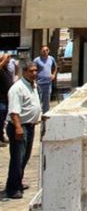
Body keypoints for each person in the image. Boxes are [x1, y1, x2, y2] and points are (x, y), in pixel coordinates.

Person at [5, 61, 41, 199]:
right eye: (31, 71)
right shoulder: (17, 88)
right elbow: (14, 111)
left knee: (24, 157)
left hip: (30, 126)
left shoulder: (33, 85)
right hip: (19, 127)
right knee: (17, 159)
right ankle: (12, 188)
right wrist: (18, 128)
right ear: (24, 72)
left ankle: (18, 182)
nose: (34, 73)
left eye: (35, 70)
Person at [34, 45, 56, 114]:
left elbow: (55, 67)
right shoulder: (37, 60)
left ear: (48, 51)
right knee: (38, 100)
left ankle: (45, 115)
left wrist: (53, 74)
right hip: (39, 83)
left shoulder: (51, 58)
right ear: (41, 51)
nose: (45, 52)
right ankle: (37, 115)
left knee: (46, 101)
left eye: (46, 50)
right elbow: (33, 70)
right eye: (43, 50)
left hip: (48, 83)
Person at [0, 55, 14, 144]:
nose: (7, 62)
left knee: (3, 121)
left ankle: (1, 136)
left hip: (7, 99)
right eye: (6, 61)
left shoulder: (6, 70)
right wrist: (4, 59)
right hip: (0, 100)